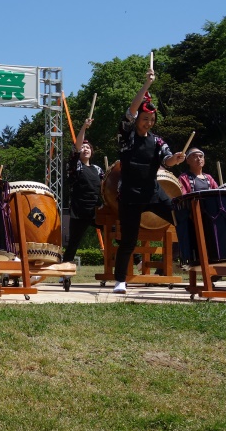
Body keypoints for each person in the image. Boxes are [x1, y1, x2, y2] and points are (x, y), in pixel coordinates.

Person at [113, 69, 186, 294]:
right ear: (137, 120)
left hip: (153, 193)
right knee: (128, 239)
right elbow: (131, 110)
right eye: (145, 119)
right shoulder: (127, 134)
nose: (148, 123)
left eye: (151, 120)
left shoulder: (157, 141)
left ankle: (191, 260)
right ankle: (120, 281)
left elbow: (167, 158)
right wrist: (147, 85)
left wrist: (174, 159)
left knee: (182, 218)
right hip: (130, 195)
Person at [63, 117, 104, 267]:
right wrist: (84, 127)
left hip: (97, 210)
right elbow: (76, 147)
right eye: (83, 147)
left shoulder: (98, 170)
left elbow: (106, 189)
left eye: (88, 147)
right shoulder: (75, 166)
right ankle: (65, 270)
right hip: (79, 210)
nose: (85, 149)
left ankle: (137, 261)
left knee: (117, 230)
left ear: (92, 152)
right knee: (74, 242)